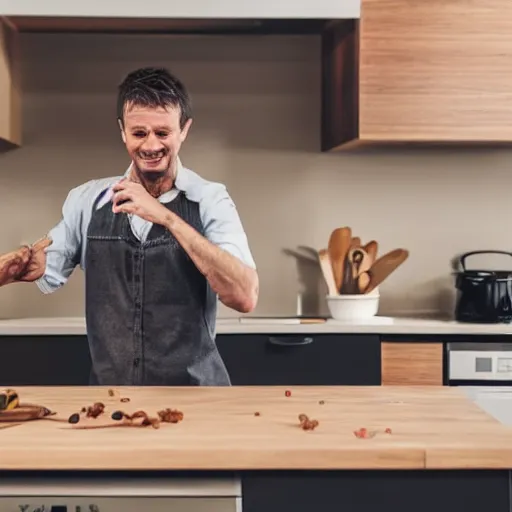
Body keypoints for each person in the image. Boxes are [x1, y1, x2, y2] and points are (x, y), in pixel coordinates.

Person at [0, 67, 259, 386]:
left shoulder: (209, 199)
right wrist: (20, 266)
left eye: (163, 133)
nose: (151, 145)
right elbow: (47, 260)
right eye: (139, 133)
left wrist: (166, 217)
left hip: (197, 400)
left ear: (184, 130)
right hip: (111, 401)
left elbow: (244, 295)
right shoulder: (87, 201)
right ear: (123, 131)